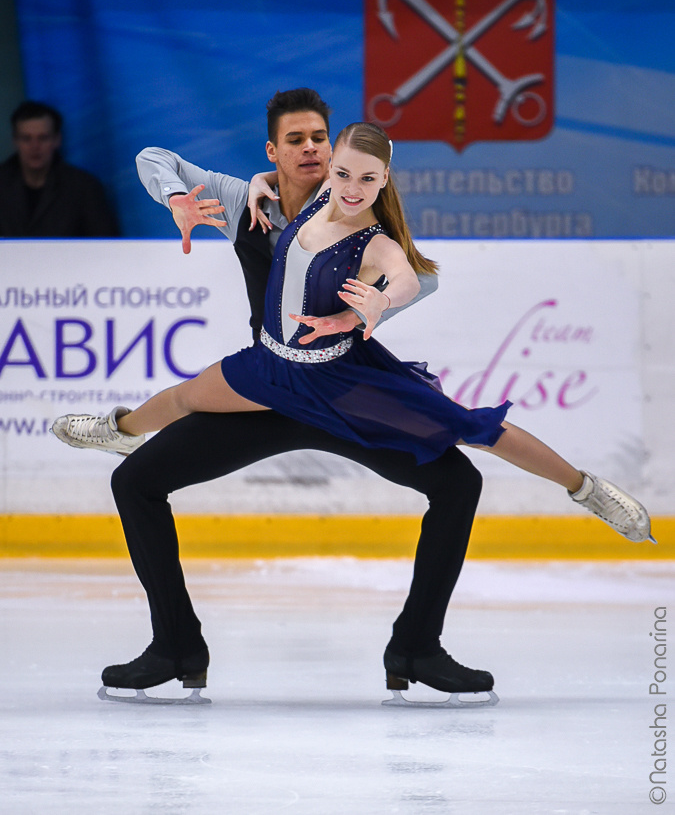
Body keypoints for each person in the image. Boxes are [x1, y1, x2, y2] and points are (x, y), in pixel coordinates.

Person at [53, 110, 653, 702]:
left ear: (381, 179)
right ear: (283, 156)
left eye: (354, 169)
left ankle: (574, 501)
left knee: (464, 454)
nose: (331, 170)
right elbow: (157, 160)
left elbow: (411, 279)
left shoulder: (370, 236)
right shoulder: (269, 197)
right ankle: (172, 633)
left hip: (337, 388)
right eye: (311, 151)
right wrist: (213, 190)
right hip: (270, 375)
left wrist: (372, 307)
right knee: (153, 450)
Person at [0, 101, 119, 237]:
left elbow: (104, 241)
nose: (35, 146)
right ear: (15, 141)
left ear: (57, 139)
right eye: (26, 138)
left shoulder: (83, 187)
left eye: (43, 138)